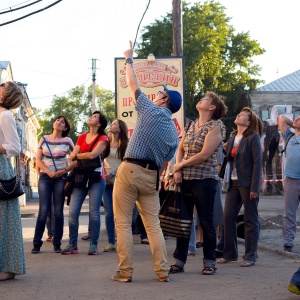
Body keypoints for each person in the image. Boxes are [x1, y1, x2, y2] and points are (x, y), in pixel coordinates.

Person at [111, 41, 182, 283]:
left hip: (130, 169)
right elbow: (165, 164)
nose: (159, 93)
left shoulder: (150, 109)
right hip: (151, 177)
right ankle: (162, 272)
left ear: (164, 101)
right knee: (153, 225)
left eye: (162, 93)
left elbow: (133, 84)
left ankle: (125, 272)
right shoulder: (174, 133)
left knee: (122, 222)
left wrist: (129, 58)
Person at [169, 91, 227, 275]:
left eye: (206, 99)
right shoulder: (192, 124)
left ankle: (209, 262)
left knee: (206, 223)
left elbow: (204, 154)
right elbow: (180, 148)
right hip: (186, 179)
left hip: (205, 180)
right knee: (183, 222)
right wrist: (178, 169)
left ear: (212, 107)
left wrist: (179, 166)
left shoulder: (216, 126)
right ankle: (179, 261)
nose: (201, 99)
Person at [218, 107, 262, 267]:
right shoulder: (232, 137)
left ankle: (250, 256)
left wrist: (254, 188)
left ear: (249, 122)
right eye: (240, 113)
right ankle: (229, 254)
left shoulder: (253, 137)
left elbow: (258, 163)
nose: (238, 115)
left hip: (248, 183)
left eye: (243, 115)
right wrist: (226, 149)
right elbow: (230, 158)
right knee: (228, 217)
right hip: (232, 183)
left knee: (251, 220)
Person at [61, 111, 109, 255]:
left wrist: (77, 155)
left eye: (95, 117)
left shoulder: (103, 138)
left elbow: (93, 155)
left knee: (94, 213)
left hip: (96, 178)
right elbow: (72, 155)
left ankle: (93, 244)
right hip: (80, 177)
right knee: (73, 212)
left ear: (99, 123)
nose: (91, 117)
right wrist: (77, 155)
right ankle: (72, 245)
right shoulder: (82, 136)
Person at [32, 115, 74, 254]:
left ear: (65, 127)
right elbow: (38, 159)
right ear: (53, 123)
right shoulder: (43, 139)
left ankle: (57, 243)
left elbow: (75, 160)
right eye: (57, 120)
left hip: (60, 179)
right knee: (43, 211)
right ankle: (37, 244)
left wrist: (64, 171)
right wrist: (48, 172)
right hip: (45, 177)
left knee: (58, 212)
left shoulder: (67, 141)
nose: (59, 122)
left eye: (63, 122)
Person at [0, 81, 26, 281]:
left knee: (4, 220)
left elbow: (15, 148)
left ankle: (8, 268)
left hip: (1, 169)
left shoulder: (5, 115)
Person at [103, 118, 128, 252]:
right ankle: (111, 242)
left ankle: (122, 241)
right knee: (109, 213)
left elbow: (126, 163)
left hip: (120, 180)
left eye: (114, 124)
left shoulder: (125, 144)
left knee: (121, 213)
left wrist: (112, 175)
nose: (111, 125)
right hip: (105, 182)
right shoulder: (105, 142)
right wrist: (103, 176)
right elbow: (100, 160)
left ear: (120, 128)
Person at [278, 114, 300, 252]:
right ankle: (288, 244)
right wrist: (296, 124)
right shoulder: (289, 136)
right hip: (291, 181)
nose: (297, 118)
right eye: (297, 117)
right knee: (289, 214)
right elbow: (281, 118)